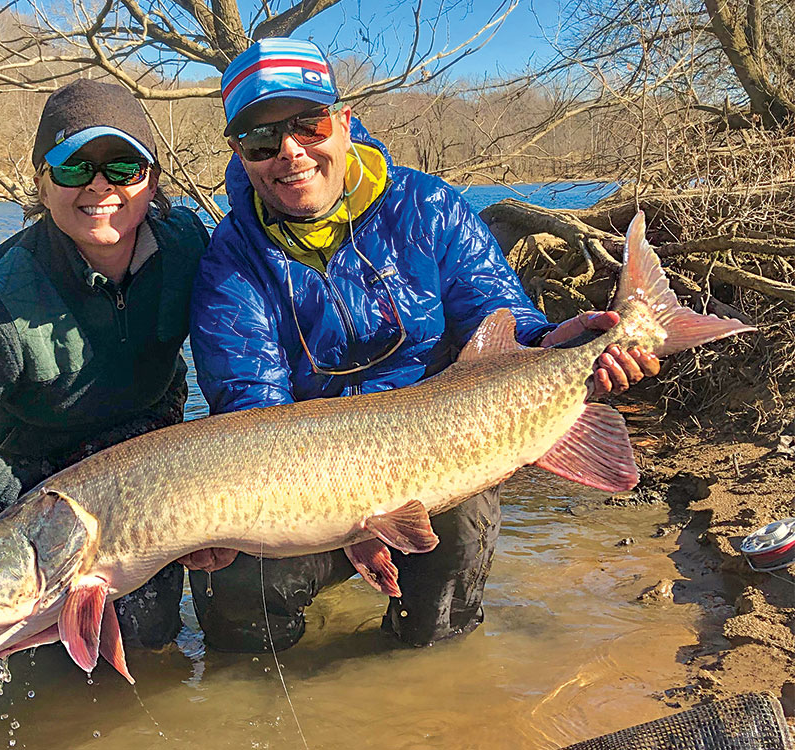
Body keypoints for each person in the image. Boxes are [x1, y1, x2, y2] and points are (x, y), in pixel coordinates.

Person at [185, 38, 660, 652]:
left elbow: (501, 320)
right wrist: (353, 517)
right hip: (305, 482)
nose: (290, 152)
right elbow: (254, 415)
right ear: (241, 156)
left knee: (454, 566)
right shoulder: (229, 264)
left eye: (309, 124)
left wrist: (562, 340)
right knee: (235, 581)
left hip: (445, 451)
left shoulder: (429, 207)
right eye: (262, 140)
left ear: (344, 123)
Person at [0, 78, 209, 649]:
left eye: (122, 166)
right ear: (42, 183)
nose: (101, 188)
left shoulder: (190, 244)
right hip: (30, 471)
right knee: (46, 655)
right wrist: (31, 503)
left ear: (152, 180)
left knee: (152, 635)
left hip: (144, 447)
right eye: (73, 167)